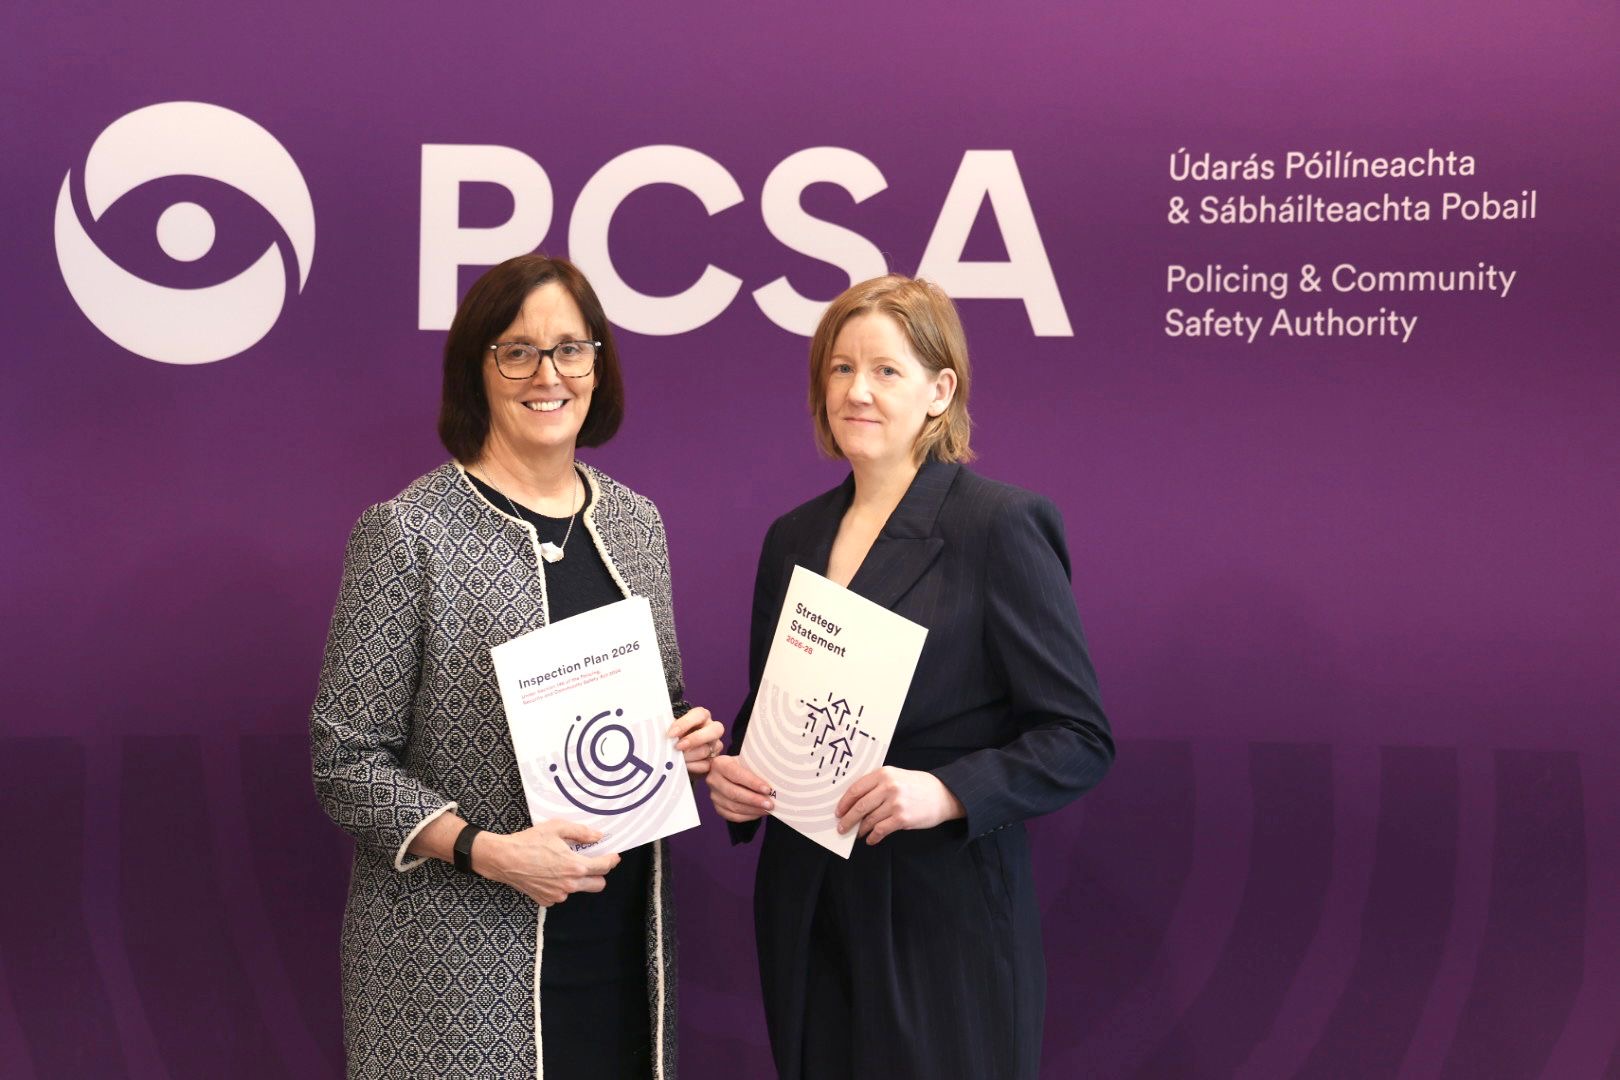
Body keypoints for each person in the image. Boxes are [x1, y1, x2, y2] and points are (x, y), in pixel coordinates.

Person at [310, 254, 723, 1079]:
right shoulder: (408, 532)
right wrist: (489, 851)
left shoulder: (636, 525)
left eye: (573, 349)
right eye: (518, 351)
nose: (550, 374)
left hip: (619, 950)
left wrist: (688, 741)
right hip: (453, 971)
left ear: (598, 368)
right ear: (478, 368)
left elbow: (658, 702)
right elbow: (344, 760)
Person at [706, 275, 1114, 1079]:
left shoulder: (998, 525)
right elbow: (777, 711)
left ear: (940, 390)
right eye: (839, 369)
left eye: (886, 371)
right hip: (806, 907)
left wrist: (945, 792)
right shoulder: (793, 536)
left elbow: (1078, 738)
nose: (856, 390)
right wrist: (734, 782)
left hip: (941, 915)